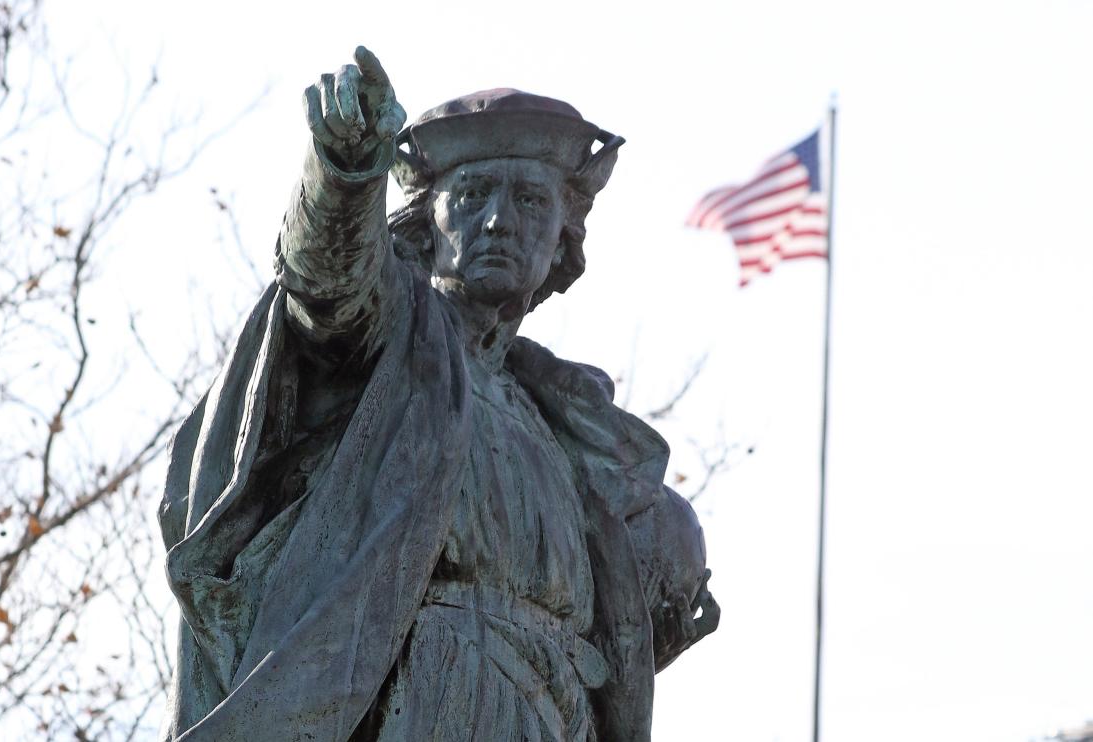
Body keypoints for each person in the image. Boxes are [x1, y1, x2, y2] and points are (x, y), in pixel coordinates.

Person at [158, 47, 719, 742]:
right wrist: (344, 176)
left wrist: (655, 608)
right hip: (431, 692)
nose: (496, 221)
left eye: (529, 199)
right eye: (473, 195)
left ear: (561, 239)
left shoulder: (561, 418)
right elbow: (327, 289)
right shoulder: (396, 342)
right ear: (429, 223)